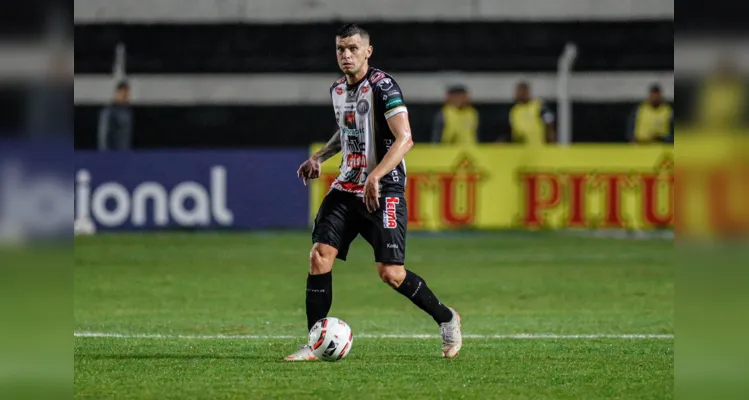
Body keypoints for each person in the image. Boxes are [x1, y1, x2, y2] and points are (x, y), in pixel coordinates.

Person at [290, 23, 462, 361]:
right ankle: (314, 343)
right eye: (341, 49)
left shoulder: (383, 87)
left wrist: (377, 176)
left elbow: (405, 138)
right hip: (347, 185)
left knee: (391, 274)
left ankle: (448, 319)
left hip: (385, 189)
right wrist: (318, 157)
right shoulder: (338, 90)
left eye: (353, 48)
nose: (346, 55)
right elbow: (346, 131)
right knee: (319, 256)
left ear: (368, 51)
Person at [97, 81, 133, 151]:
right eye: (124, 95)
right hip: (113, 155)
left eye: (127, 95)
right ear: (117, 93)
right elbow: (104, 136)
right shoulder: (109, 112)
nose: (125, 98)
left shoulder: (128, 112)